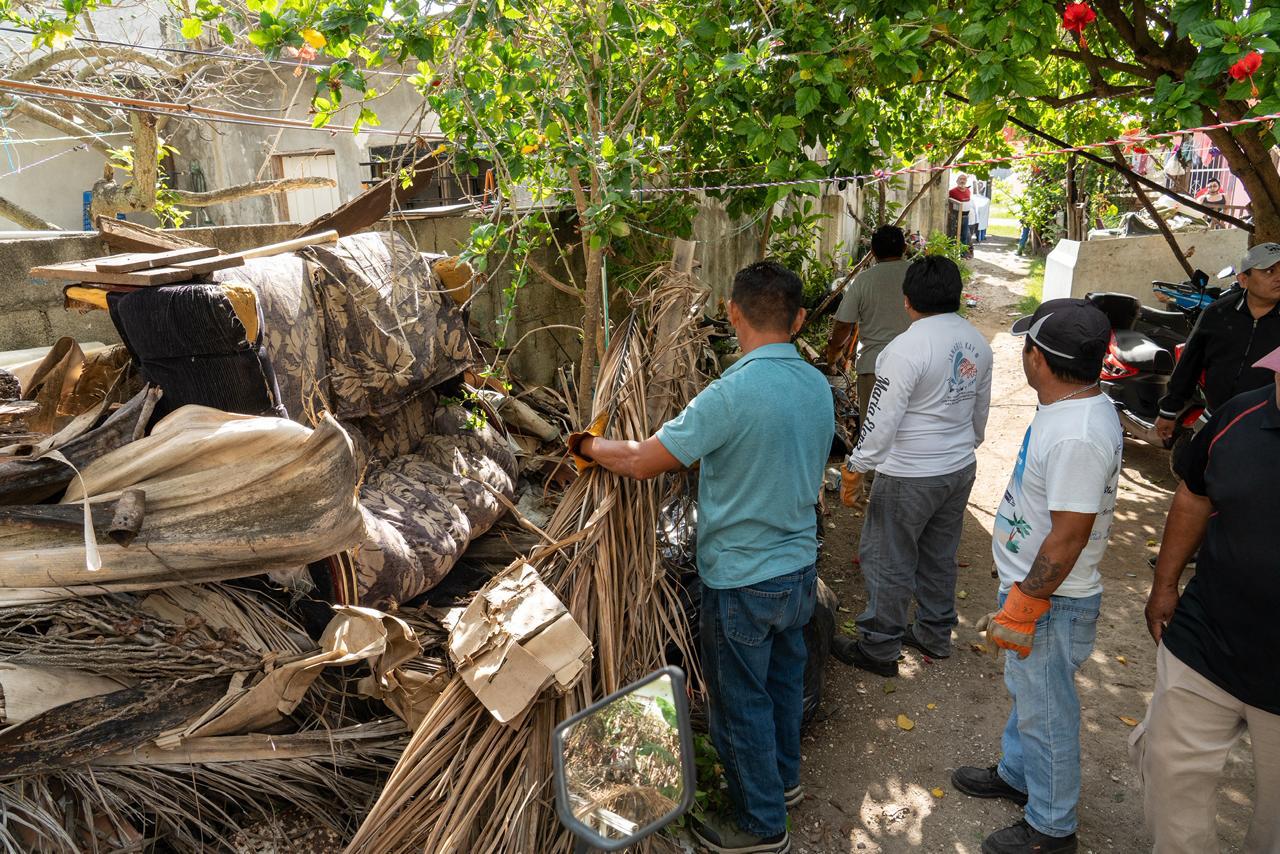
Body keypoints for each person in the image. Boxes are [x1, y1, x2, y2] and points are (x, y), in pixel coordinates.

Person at [569, 260, 833, 854]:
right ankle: (783, 781)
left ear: (733, 312)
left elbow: (641, 460)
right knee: (783, 683)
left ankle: (761, 825)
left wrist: (587, 444)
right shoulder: (816, 385)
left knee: (739, 704)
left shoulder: (730, 395)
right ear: (798, 319)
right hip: (798, 570)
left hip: (742, 579)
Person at [953, 299, 1121, 854]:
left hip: (1052, 600)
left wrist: (1025, 603)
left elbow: (1069, 536)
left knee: (1048, 714)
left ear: (1038, 359)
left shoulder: (1077, 434)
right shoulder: (1069, 406)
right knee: (1030, 695)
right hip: (1039, 592)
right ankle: (1018, 775)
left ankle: (1052, 827)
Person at [1132, 343, 1280, 853]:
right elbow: (1195, 494)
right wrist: (1164, 584)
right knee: (1168, 773)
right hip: (1206, 638)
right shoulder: (1239, 416)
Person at [831, 256, 992, 676]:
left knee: (887, 557)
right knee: (939, 554)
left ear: (907, 301)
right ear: (957, 296)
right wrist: (963, 446)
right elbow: (980, 412)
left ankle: (879, 647)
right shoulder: (977, 343)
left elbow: (880, 418)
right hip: (958, 468)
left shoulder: (904, 348)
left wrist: (857, 466)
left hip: (909, 473)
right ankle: (934, 634)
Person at [1155, 242, 1280, 443]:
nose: (1278, 277)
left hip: (1268, 424)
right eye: (1269, 271)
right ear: (1243, 280)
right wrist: (1169, 410)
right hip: (1216, 416)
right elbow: (1190, 363)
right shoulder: (1217, 314)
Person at [823, 225, 912, 435]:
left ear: (872, 251)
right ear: (905, 248)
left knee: (873, 434)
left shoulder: (863, 280)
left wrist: (833, 355)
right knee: (911, 431)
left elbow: (843, 325)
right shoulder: (918, 275)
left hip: (874, 368)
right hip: (916, 366)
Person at [948, 174, 974, 256]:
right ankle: (951, 254)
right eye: (961, 179)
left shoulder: (968, 190)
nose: (962, 181)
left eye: (964, 179)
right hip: (956, 216)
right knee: (953, 235)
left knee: (964, 235)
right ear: (957, 181)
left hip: (966, 217)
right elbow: (949, 202)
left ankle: (963, 254)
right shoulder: (952, 191)